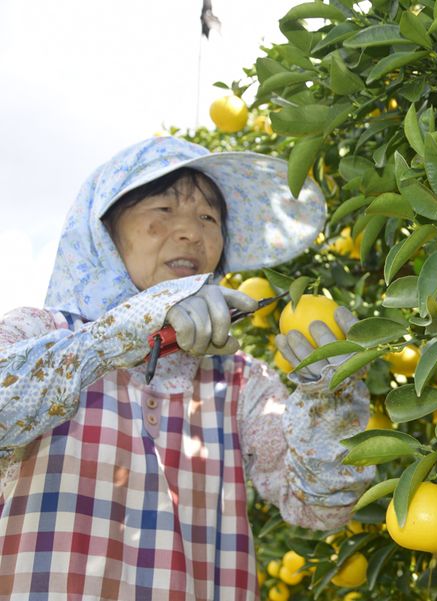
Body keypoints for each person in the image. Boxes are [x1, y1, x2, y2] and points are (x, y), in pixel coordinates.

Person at [0, 136, 374, 600]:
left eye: (208, 218)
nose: (192, 233)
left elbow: (321, 506)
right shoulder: (42, 335)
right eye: (163, 209)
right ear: (105, 233)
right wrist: (120, 335)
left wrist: (329, 399)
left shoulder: (239, 382)